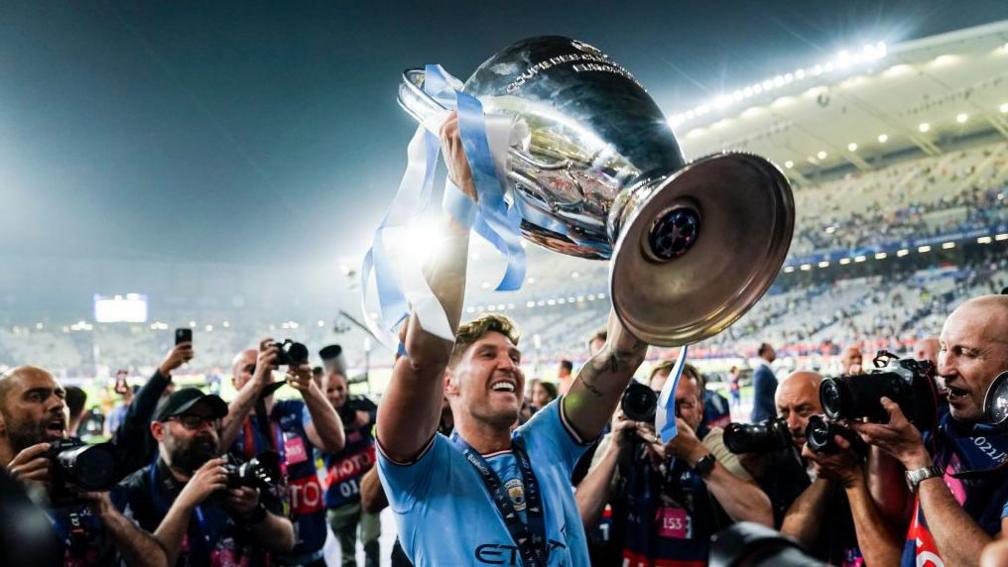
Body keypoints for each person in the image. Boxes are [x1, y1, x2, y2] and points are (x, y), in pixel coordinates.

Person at [375, 112, 650, 566]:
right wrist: (463, 193)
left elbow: (620, 356)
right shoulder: (420, 471)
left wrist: (641, 238)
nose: (509, 365)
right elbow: (423, 356)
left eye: (514, 356)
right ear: (450, 384)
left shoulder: (547, 442)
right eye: (488, 354)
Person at [850, 295, 1008, 566]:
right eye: (945, 348)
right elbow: (896, 514)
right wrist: (881, 429)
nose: (944, 368)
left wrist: (917, 461)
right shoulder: (946, 420)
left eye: (967, 353)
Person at [577, 367, 773, 565]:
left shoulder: (712, 443)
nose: (671, 413)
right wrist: (615, 447)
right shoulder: (622, 445)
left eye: (683, 404)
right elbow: (579, 521)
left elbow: (762, 519)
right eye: (662, 401)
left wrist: (695, 453)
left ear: (700, 410)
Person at [0, 365, 167, 566]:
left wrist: (108, 513)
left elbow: (157, 563)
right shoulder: (5, 497)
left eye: (60, 396)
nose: (57, 404)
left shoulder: (90, 475)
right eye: (35, 396)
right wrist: (10, 501)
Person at [117, 387, 295, 566]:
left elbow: (287, 541)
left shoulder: (239, 473)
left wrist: (255, 512)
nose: (205, 429)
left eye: (211, 421)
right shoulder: (136, 491)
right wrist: (185, 503)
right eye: (192, 421)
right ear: (158, 431)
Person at [224, 341, 345, 567]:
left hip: (311, 553)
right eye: (250, 369)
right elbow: (218, 444)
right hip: (259, 556)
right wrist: (256, 382)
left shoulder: (293, 411)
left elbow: (335, 442)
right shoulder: (230, 421)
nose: (261, 373)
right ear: (234, 382)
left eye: (267, 368)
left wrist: (308, 386)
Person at [774, 371, 874, 565]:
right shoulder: (780, 460)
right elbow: (790, 542)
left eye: (803, 411)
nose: (792, 424)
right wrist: (826, 473)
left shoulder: (866, 451)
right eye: (784, 413)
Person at [322, 368, 381, 567]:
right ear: (322, 393)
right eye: (330, 390)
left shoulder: (358, 404)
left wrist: (366, 417)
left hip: (366, 490)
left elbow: (385, 412)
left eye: (340, 388)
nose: (336, 394)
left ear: (347, 388)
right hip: (339, 496)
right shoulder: (319, 414)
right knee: (347, 557)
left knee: (371, 542)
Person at [751, 343, 778, 423]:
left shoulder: (765, 369)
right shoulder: (761, 371)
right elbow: (760, 398)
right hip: (764, 418)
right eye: (772, 350)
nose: (774, 353)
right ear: (765, 352)